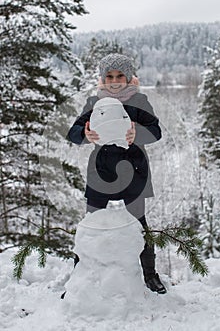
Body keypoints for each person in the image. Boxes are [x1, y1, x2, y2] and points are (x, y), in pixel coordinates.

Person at [67, 53, 167, 294]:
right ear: (102, 78)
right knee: (91, 224)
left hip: (134, 169)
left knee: (140, 224)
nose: (114, 80)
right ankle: (79, 277)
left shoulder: (140, 101)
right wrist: (85, 135)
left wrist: (137, 134)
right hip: (100, 170)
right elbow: (73, 132)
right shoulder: (93, 103)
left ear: (129, 77)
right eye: (109, 76)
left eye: (120, 75)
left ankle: (150, 275)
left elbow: (156, 131)